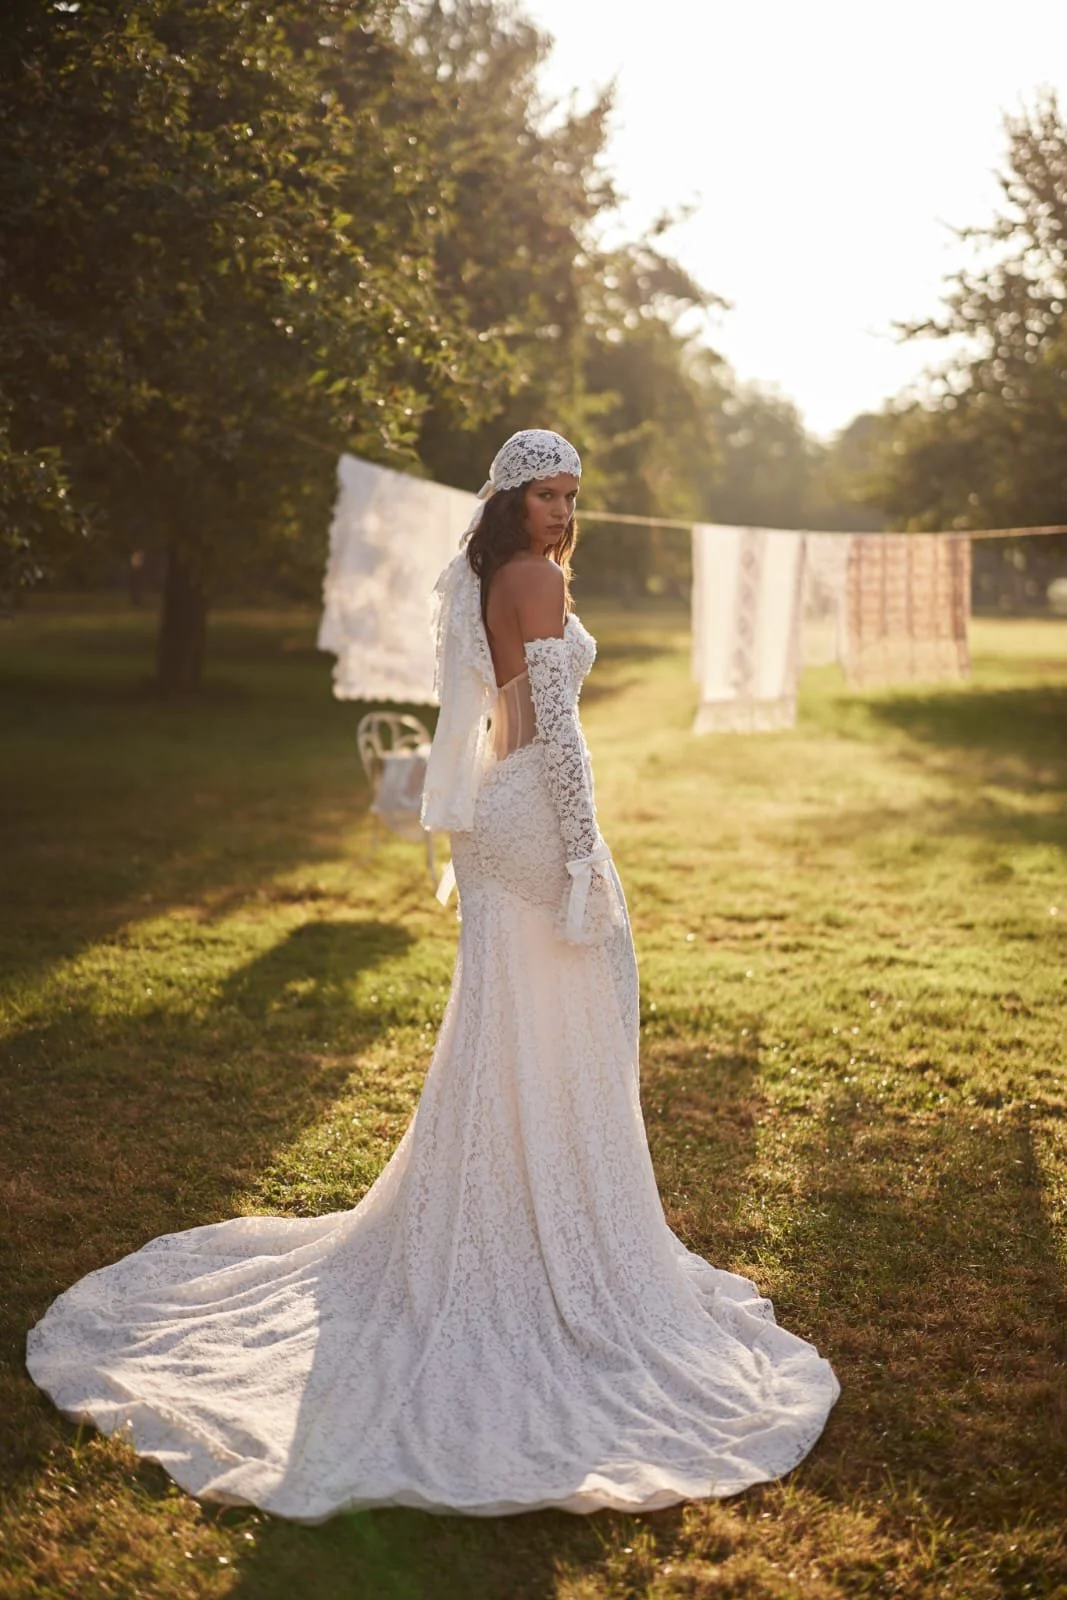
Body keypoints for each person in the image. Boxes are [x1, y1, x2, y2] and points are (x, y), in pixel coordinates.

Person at [26, 429, 839, 1520]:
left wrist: (517, 824)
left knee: (513, 1020)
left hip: (493, 818)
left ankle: (496, 1204)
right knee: (573, 1012)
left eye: (569, 495)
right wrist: (584, 852)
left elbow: (497, 713)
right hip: (535, 817)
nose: (559, 511)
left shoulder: (475, 574)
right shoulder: (535, 576)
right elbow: (553, 730)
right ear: (508, 496)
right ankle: (542, 1236)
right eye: (543, 493)